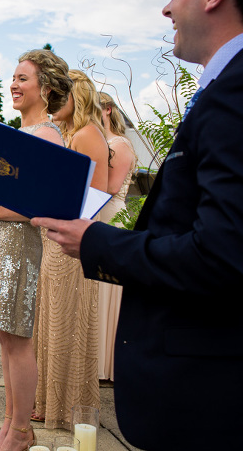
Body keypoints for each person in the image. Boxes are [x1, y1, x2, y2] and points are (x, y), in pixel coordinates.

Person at [33, 0, 243, 448]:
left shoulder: (238, 91)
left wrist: (97, 243)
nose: (167, 7)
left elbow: (224, 253)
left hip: (211, 393)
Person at [0, 49, 68, 451]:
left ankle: (20, 433)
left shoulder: (45, 134)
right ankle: (9, 427)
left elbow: (42, 206)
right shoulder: (21, 133)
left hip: (19, 248)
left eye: (23, 78)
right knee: (5, 338)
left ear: (46, 88)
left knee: (18, 340)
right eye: (14, 77)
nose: (14, 84)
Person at [33, 69, 108, 430]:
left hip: (72, 245)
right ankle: (49, 401)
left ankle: (69, 407)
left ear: (75, 97)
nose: (51, 103)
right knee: (52, 322)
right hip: (55, 240)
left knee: (69, 323)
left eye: (58, 96)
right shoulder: (70, 135)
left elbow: (97, 196)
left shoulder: (88, 135)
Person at [96, 92, 137, 381]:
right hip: (97, 216)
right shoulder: (100, 144)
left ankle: (106, 365)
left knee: (108, 290)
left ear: (108, 110)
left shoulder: (119, 144)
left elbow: (110, 187)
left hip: (112, 217)